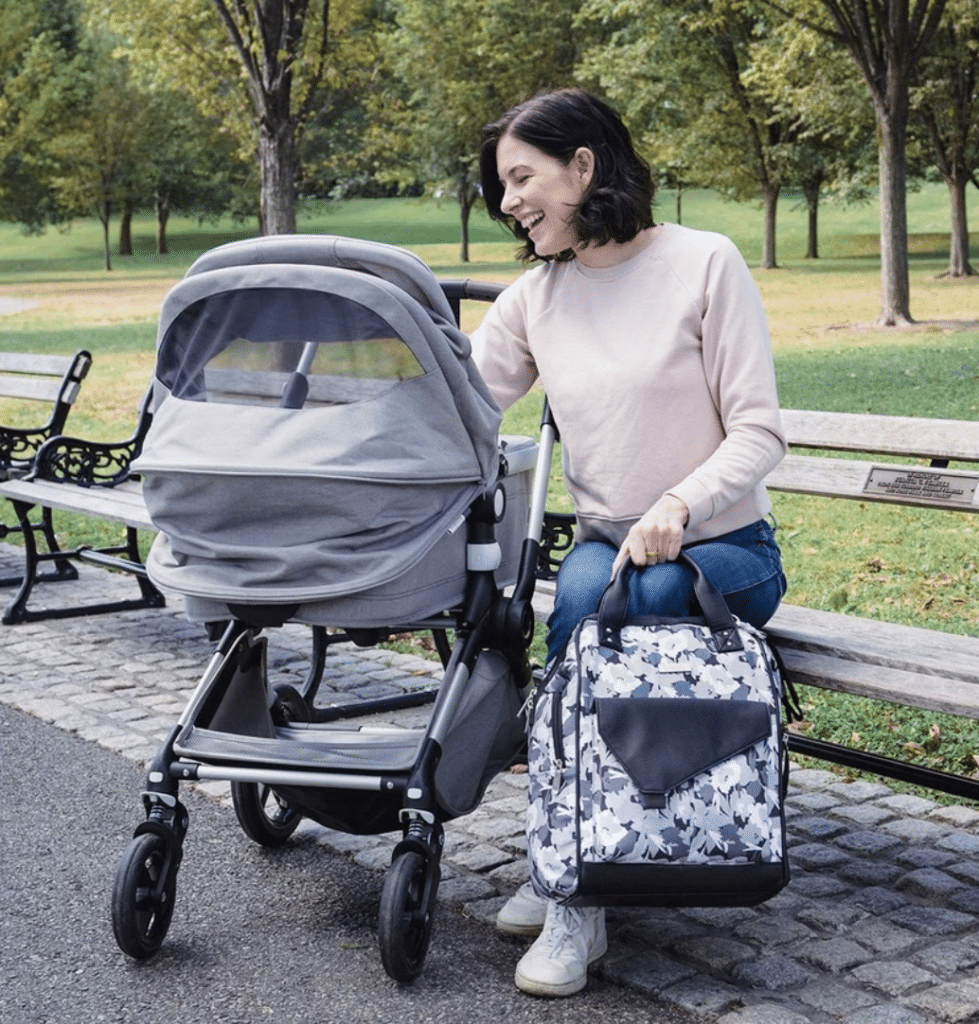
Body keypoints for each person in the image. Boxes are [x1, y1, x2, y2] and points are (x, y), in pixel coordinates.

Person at [469, 88, 788, 998]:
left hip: (727, 551)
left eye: (521, 177)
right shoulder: (538, 296)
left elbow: (759, 432)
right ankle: (577, 866)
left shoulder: (704, 263)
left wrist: (679, 506)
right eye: (500, 185)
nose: (506, 202)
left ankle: (573, 893)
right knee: (588, 611)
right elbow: (458, 402)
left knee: (631, 608)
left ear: (584, 167)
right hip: (609, 545)